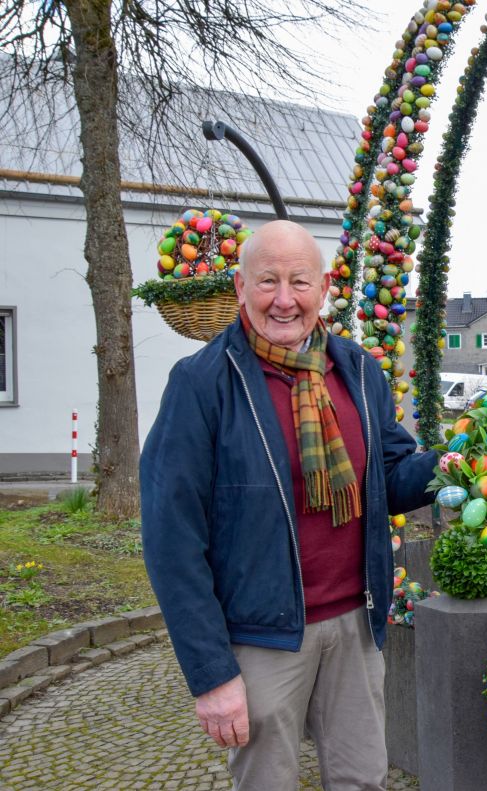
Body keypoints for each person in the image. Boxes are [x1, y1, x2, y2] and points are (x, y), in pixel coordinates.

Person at [140, 220, 437, 790]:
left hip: (354, 624)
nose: (283, 299)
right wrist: (211, 675)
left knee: (363, 781)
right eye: (267, 281)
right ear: (239, 287)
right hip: (262, 638)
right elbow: (171, 539)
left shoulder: (356, 370)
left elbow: (392, 478)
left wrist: (456, 464)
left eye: (299, 282)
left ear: (323, 288)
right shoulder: (202, 384)